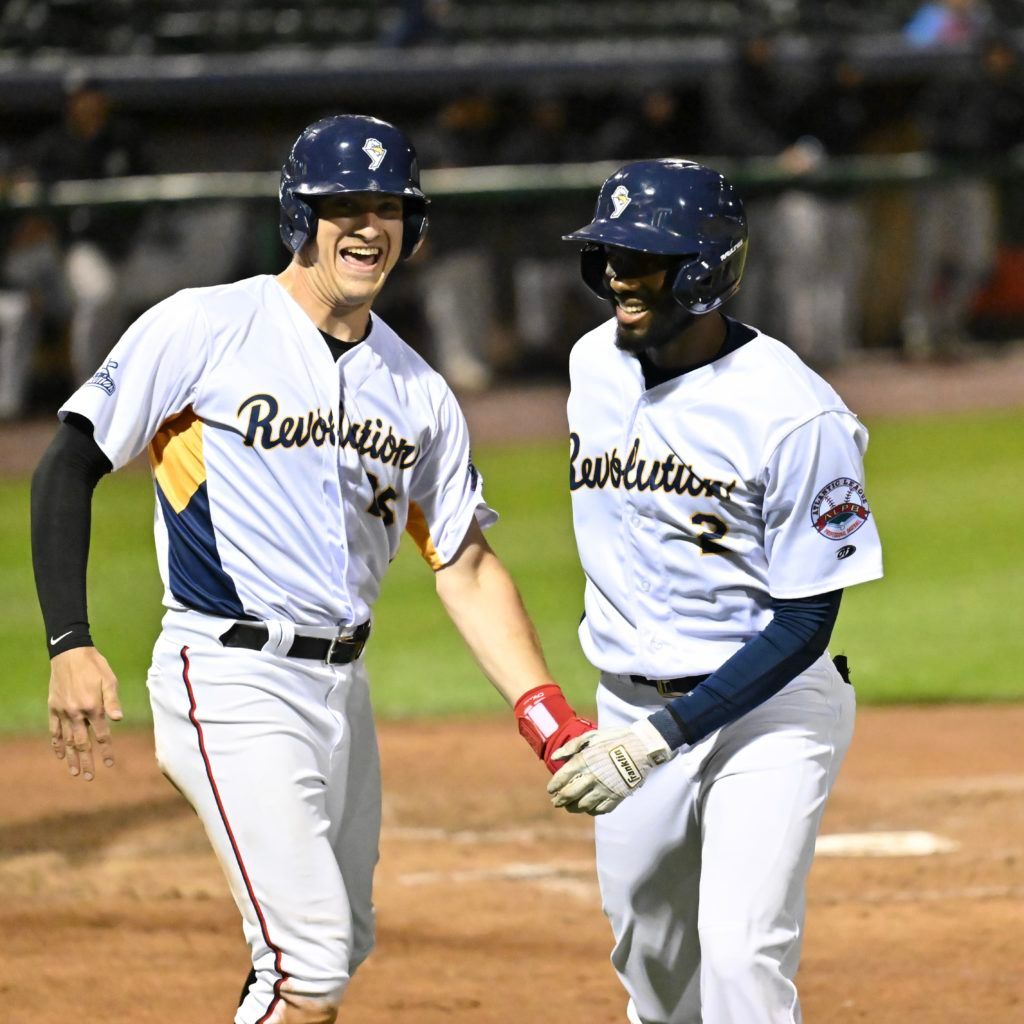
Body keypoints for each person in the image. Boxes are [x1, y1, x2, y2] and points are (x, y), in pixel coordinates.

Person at [30, 114, 594, 1024]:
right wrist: (70, 640)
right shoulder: (207, 326)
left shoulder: (418, 391)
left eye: (390, 207)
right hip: (229, 675)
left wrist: (547, 715)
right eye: (345, 206)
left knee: (335, 945)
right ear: (301, 214)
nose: (369, 227)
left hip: (344, 695)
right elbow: (71, 460)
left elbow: (464, 559)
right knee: (310, 961)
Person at [548, 160, 884, 1024]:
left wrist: (662, 740)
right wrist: (638, 733)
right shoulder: (593, 364)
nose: (619, 272)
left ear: (705, 266)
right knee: (656, 980)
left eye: (643, 255)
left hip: (767, 712)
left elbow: (807, 621)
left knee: (740, 954)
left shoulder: (795, 416)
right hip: (626, 706)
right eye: (611, 252)